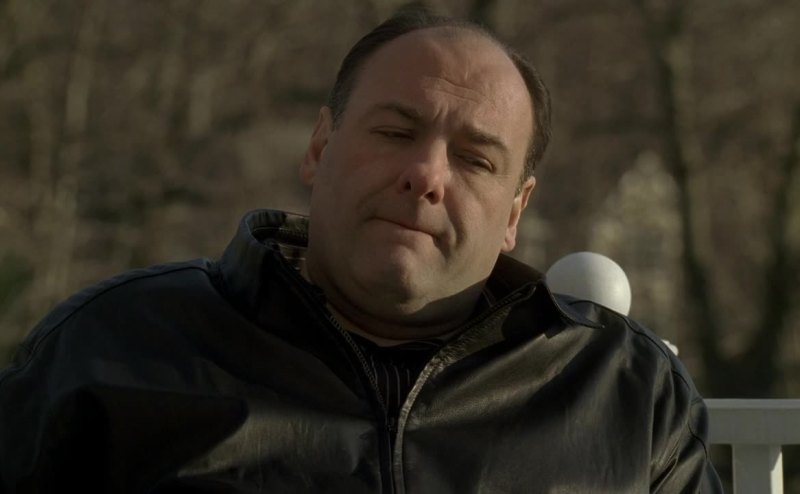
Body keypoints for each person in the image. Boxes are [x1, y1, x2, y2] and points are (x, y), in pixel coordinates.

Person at [0, 9, 722, 493]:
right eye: (395, 132)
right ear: (320, 148)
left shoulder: (624, 393)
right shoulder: (116, 351)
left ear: (515, 212)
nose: (427, 174)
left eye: (475, 159)